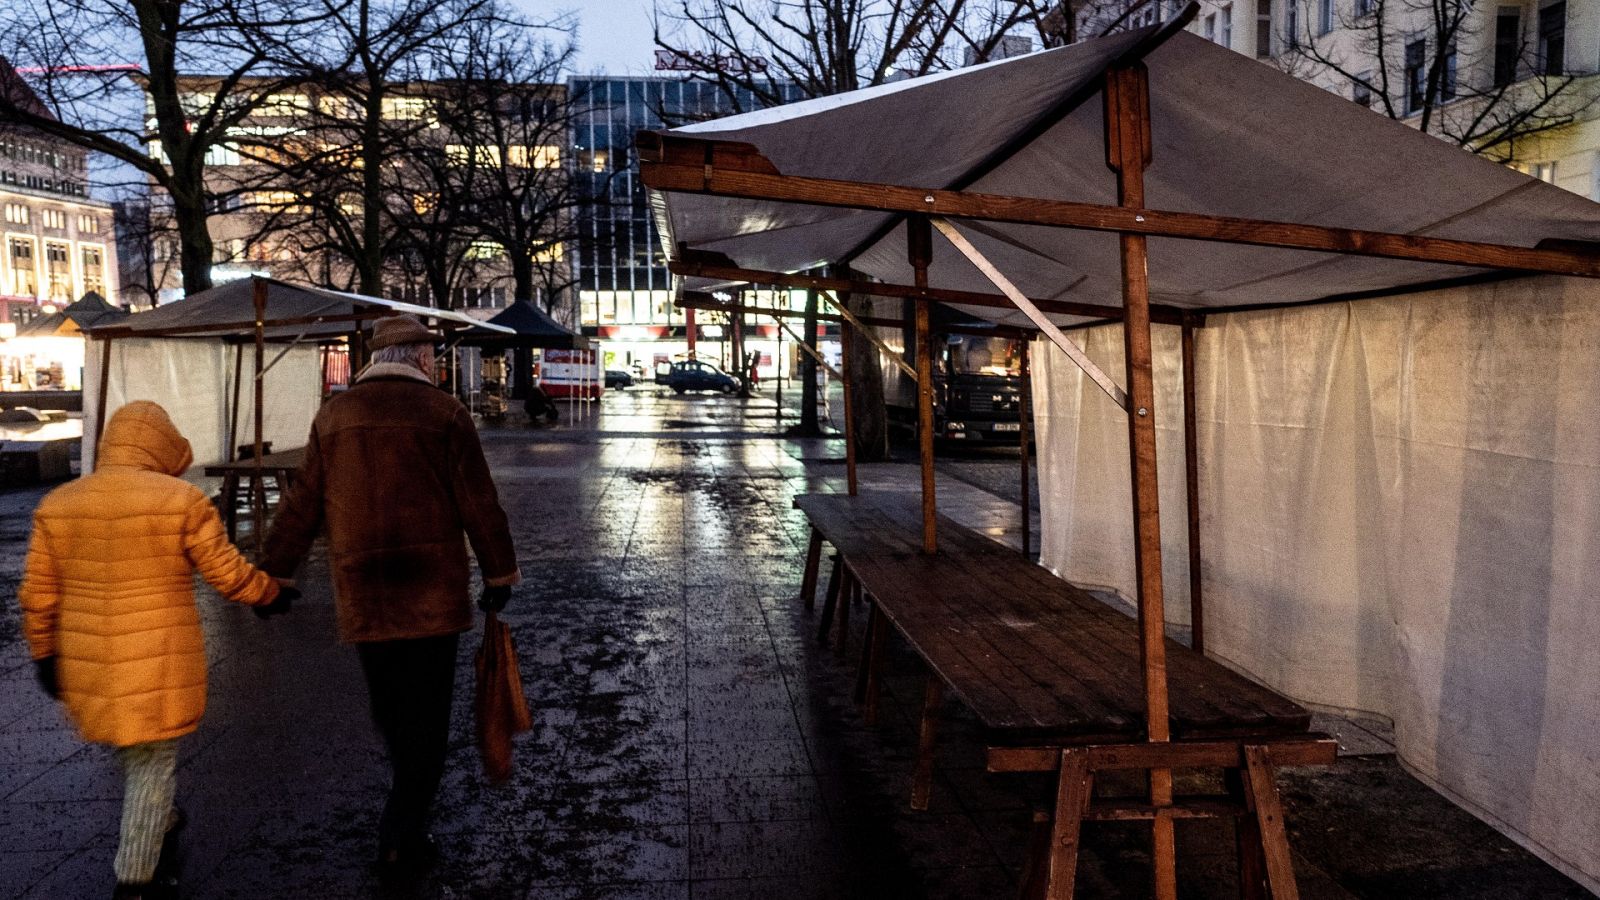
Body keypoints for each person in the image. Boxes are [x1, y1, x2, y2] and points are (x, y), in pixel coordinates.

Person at [261, 314, 520, 871]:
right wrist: (499, 576)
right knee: (428, 717)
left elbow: (302, 503)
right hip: (431, 595)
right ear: (420, 360)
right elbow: (479, 503)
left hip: (365, 594)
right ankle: (402, 830)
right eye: (432, 354)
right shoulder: (443, 413)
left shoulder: (335, 415)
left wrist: (273, 575)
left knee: (392, 710)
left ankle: (404, 815)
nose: (436, 363)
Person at [17, 401, 293, 900]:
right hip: (158, 659)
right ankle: (135, 880)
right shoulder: (181, 500)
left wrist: (44, 655)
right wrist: (269, 594)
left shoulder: (59, 503)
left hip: (90, 664)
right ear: (163, 444)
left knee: (136, 749)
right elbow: (226, 572)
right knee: (152, 761)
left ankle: (161, 820)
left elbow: (38, 594)